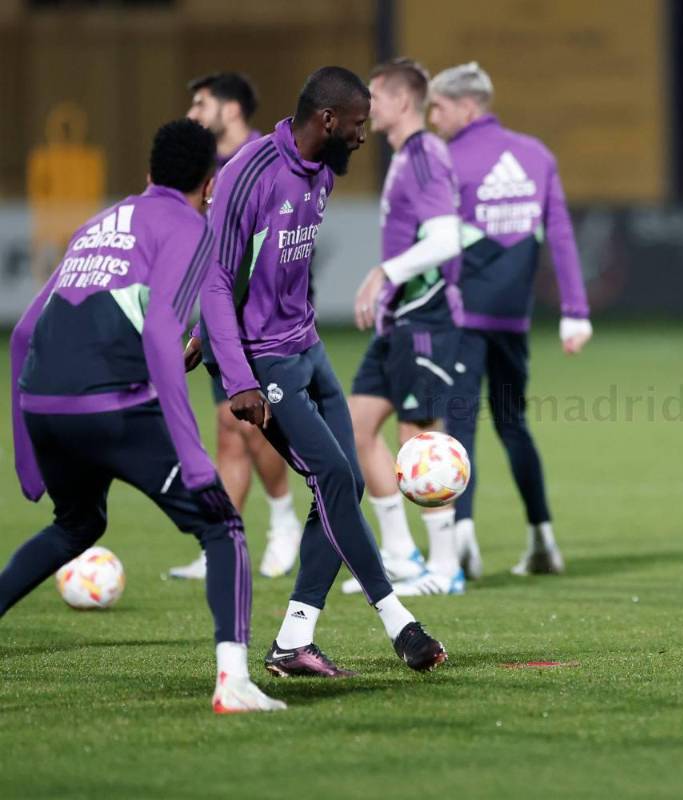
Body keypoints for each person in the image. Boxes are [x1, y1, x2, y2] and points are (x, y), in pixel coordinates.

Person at [3, 119, 283, 713]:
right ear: (210, 184)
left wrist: (28, 457)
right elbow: (162, 336)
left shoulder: (98, 224)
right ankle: (233, 682)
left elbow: (23, 333)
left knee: (77, 524)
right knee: (223, 528)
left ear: (149, 173)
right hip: (111, 408)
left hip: (43, 407)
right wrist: (191, 452)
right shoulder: (191, 229)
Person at [197, 66, 446, 676]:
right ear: (328, 120)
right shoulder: (248, 175)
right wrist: (238, 377)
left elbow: (282, 273)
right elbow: (215, 280)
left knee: (345, 485)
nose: (364, 137)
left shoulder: (323, 171)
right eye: (358, 125)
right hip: (266, 361)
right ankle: (399, 623)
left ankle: (293, 640)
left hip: (306, 347)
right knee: (334, 474)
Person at [427, 62, 592, 577]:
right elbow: (561, 235)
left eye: (438, 106)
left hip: (463, 316)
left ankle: (463, 544)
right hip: (514, 321)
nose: (431, 118)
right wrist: (574, 312)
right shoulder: (536, 155)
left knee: (457, 426)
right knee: (513, 425)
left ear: (467, 106)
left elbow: (439, 245)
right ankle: (543, 540)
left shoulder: (447, 160)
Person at [170, 71, 303, 581]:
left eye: (201, 104)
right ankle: (223, 544)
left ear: (230, 110)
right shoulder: (207, 166)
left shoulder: (263, 159)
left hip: (253, 321)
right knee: (229, 436)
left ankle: (284, 521)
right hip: (214, 314)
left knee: (244, 425)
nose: (192, 114)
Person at [342, 58, 466, 597]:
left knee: (418, 441)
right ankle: (400, 555)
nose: (367, 108)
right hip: (399, 320)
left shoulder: (423, 155)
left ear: (402, 101)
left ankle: (446, 567)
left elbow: (446, 240)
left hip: (426, 318)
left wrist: (385, 272)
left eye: (374, 97)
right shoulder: (402, 158)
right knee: (357, 426)